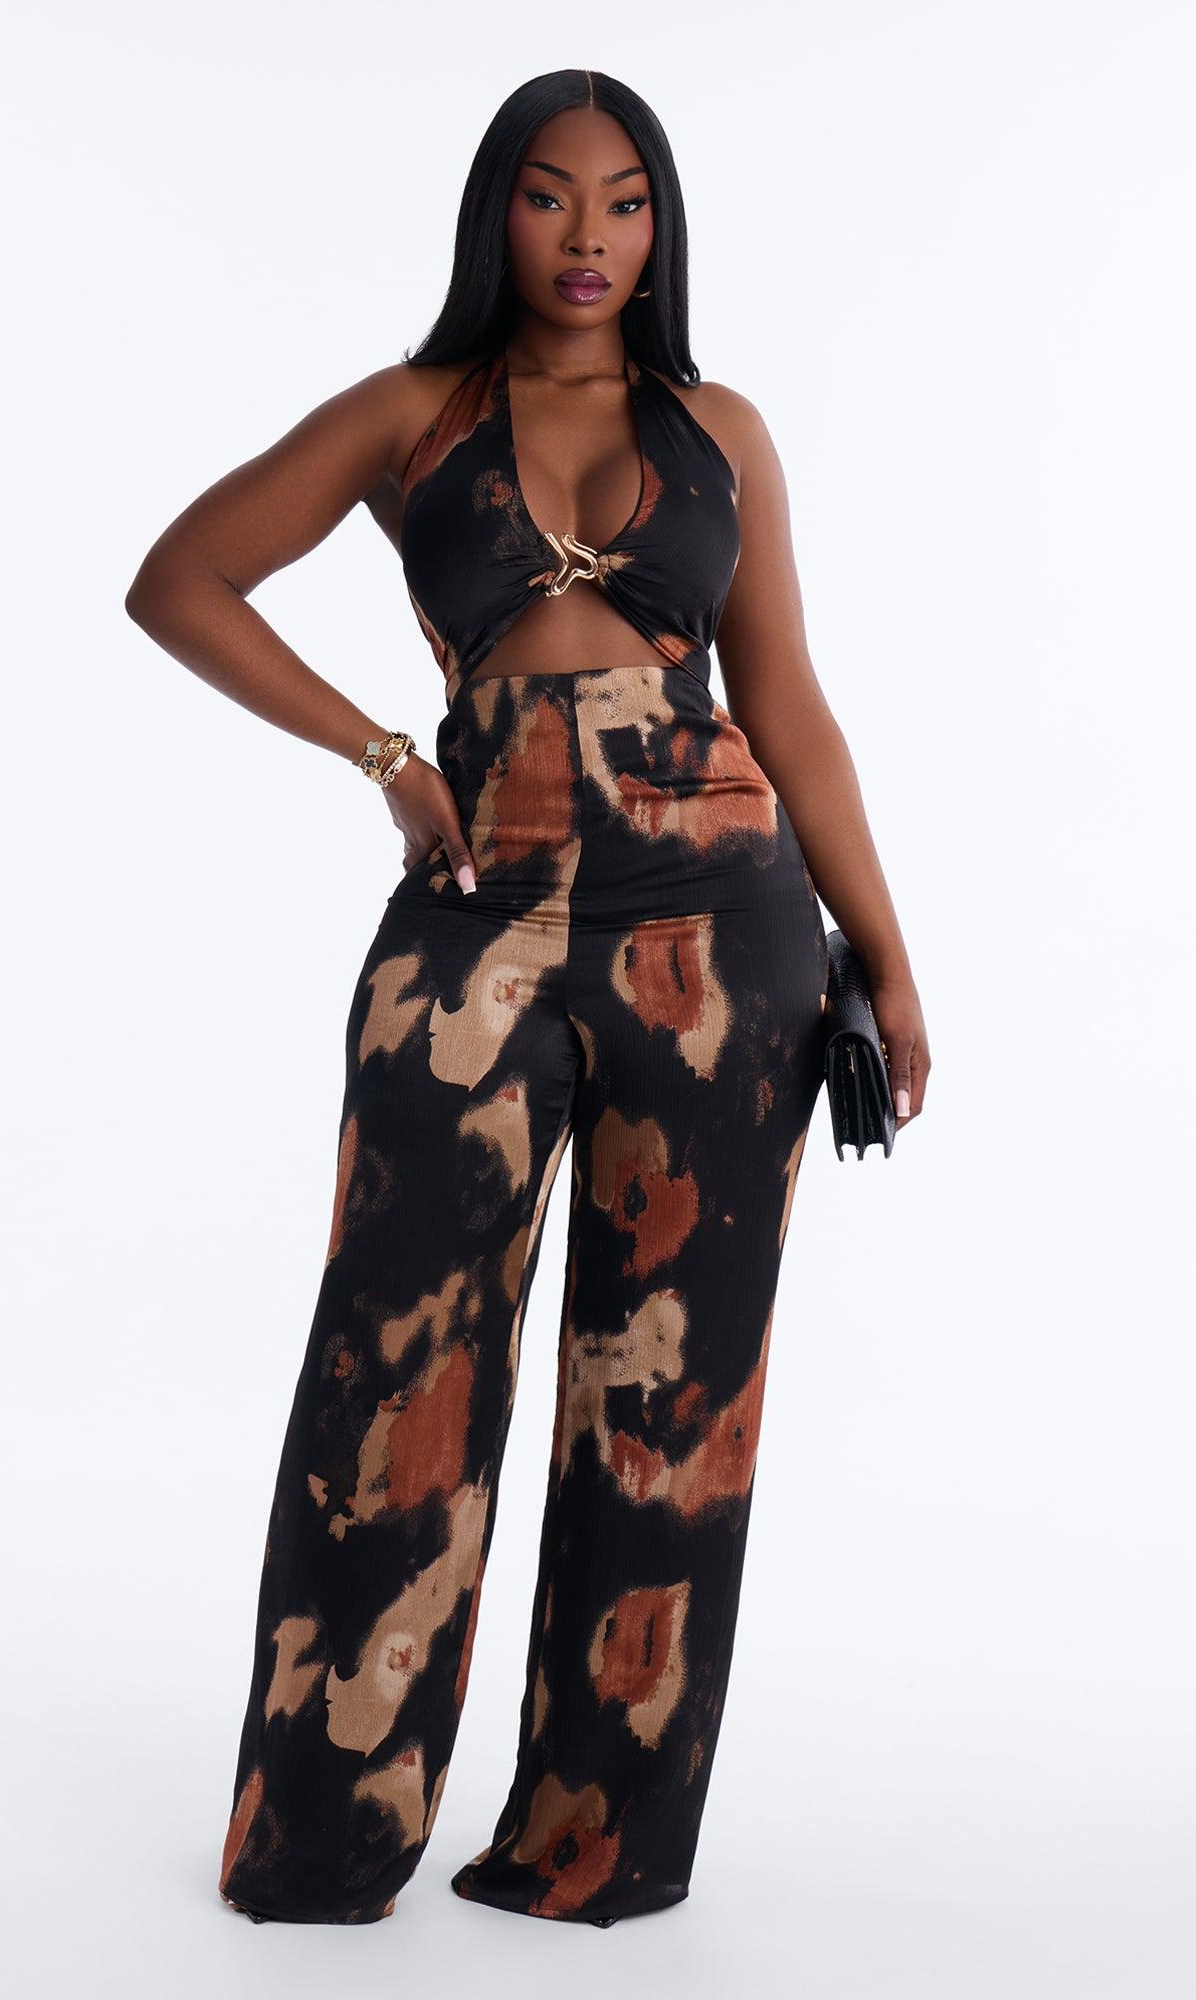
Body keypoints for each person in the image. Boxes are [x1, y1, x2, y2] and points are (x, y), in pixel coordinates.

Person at [125, 67, 931, 1930]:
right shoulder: (410, 414)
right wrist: (382, 755)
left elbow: (786, 702)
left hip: (720, 928)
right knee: (391, 1370)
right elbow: (181, 581)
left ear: (661, 227)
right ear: (497, 208)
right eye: (552, 195)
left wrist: (884, 951)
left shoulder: (719, 429)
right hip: (471, 916)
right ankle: (321, 1847)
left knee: (673, 1401)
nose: (588, 237)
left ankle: (593, 1851)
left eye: (626, 201)